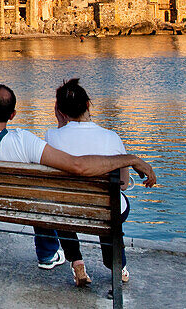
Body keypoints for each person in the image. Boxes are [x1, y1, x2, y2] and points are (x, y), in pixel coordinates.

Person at [0, 84, 155, 268]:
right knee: (41, 194)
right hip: (23, 206)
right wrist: (130, 159)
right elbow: (78, 165)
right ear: (13, 115)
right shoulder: (25, 141)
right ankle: (47, 254)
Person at [44, 78, 134, 287]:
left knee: (64, 202)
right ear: (87, 105)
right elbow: (123, 183)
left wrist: (60, 125)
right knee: (112, 208)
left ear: (59, 111)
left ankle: (76, 260)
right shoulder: (111, 137)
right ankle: (117, 266)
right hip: (105, 210)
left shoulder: (51, 136)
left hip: (69, 208)